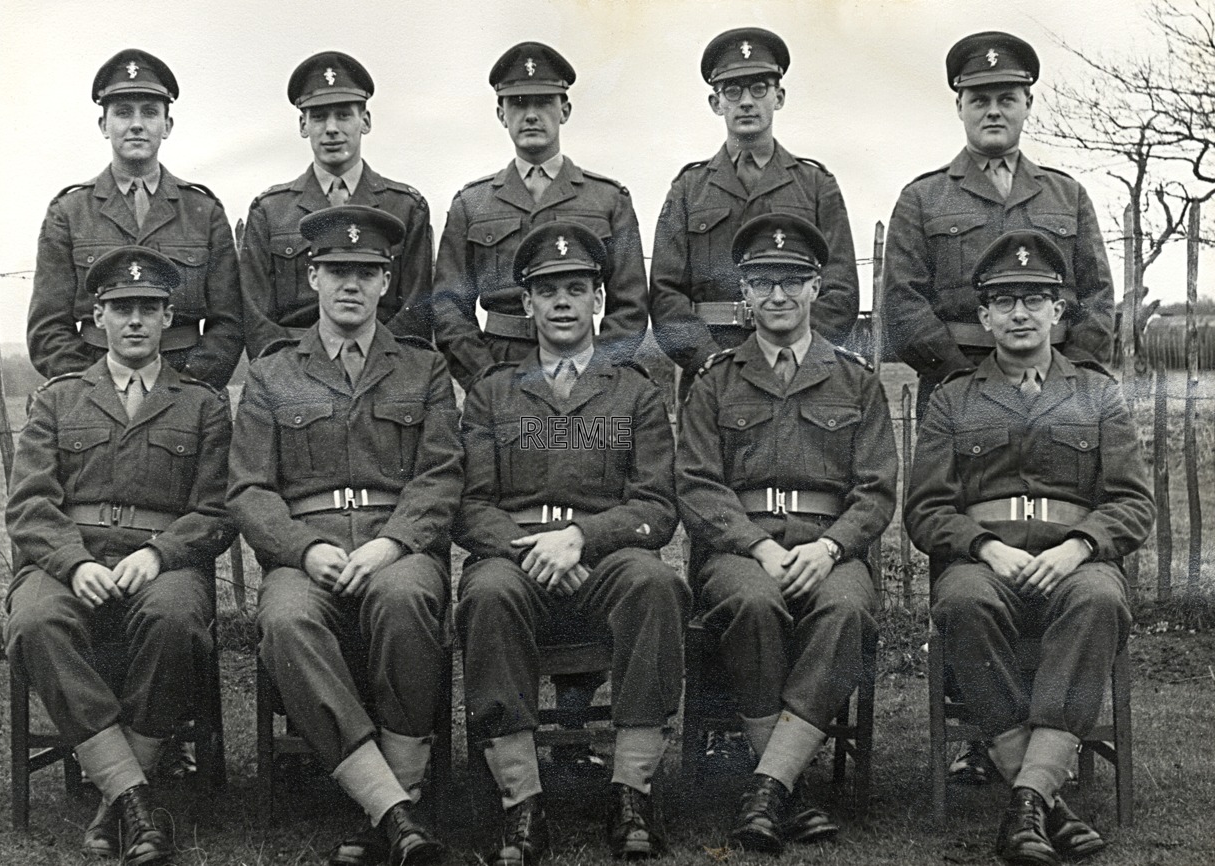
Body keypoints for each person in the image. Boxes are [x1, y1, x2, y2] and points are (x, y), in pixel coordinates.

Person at [904, 230, 1154, 866]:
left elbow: (1132, 503)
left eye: (1036, 299)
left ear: (1059, 311)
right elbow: (926, 509)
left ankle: (1024, 805)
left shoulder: (1098, 394)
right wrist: (985, 547)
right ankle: (1046, 802)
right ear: (983, 316)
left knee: (1101, 597)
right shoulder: (953, 399)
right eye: (1005, 300)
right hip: (986, 569)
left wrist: (1078, 548)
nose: (1020, 313)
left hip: (1072, 567)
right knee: (960, 602)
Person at [228, 205, 461, 866]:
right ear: (313, 277)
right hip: (309, 551)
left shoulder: (424, 369)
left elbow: (441, 475)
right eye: (336, 270)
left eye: (365, 271)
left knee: (407, 598)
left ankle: (392, 797)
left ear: (387, 282)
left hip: (398, 547)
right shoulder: (274, 372)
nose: (350, 284)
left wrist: (391, 545)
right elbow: (248, 487)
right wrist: (304, 550)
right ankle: (394, 808)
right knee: (287, 619)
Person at [456, 222, 687, 863]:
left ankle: (632, 793)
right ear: (525, 304)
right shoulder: (491, 393)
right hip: (516, 562)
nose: (562, 302)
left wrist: (581, 538)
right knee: (487, 593)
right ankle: (521, 804)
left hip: (603, 563)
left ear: (598, 302)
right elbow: (470, 506)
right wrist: (536, 548)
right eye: (547, 290)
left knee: (657, 582)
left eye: (576, 288)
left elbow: (655, 507)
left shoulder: (635, 392)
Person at [5, 246, 236, 865]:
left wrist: (160, 555)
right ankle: (136, 793)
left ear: (169, 320)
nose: (135, 320)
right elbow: (29, 505)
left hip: (161, 564)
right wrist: (75, 563)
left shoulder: (203, 404)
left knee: (175, 619)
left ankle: (114, 798)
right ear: (96, 320)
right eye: (121, 308)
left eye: (149, 309)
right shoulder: (56, 399)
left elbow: (216, 510)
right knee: (34, 621)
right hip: (67, 559)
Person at [675, 213, 896, 853]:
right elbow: (696, 482)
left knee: (848, 607)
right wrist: (759, 546)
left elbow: (878, 487)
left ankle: (768, 788)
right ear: (743, 291)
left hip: (830, 546)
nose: (777, 296)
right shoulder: (715, 379)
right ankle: (789, 788)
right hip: (743, 549)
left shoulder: (854, 378)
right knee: (750, 601)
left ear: (815, 289)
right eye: (762, 282)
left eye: (791, 282)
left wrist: (831, 548)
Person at [881, 31, 1115, 421]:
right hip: (955, 387)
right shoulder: (922, 198)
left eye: (1006, 99)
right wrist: (959, 378)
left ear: (1028, 104)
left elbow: (1098, 297)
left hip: (1058, 389)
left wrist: (1069, 377)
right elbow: (903, 305)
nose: (993, 111)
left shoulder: (1068, 196)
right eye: (979, 100)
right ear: (960, 106)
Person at [650, 27, 860, 398]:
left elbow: (840, 290)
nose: (746, 101)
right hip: (710, 374)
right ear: (717, 103)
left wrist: (797, 358)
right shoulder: (688, 189)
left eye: (759, 88)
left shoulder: (815, 185)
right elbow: (666, 295)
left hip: (798, 377)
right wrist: (710, 363)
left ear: (779, 97)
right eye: (733, 91)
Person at [432, 41, 649, 387]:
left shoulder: (607, 199)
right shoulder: (471, 204)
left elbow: (630, 305)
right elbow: (449, 307)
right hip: (500, 364)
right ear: (501, 114)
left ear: (564, 110)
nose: (531, 114)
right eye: (518, 103)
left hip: (584, 363)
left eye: (544, 102)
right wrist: (485, 377)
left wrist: (597, 373)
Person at [30, 49, 243, 391]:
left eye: (150, 113)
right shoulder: (69, 212)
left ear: (167, 125)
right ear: (104, 125)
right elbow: (47, 329)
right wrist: (94, 388)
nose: (137, 125)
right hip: (94, 388)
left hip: (185, 388)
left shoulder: (204, 211)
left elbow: (229, 325)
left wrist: (187, 390)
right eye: (123, 113)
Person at [240, 51, 434, 357]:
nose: (331, 128)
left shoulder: (406, 207)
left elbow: (415, 312)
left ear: (365, 121)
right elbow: (256, 318)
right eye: (318, 116)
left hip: (383, 367)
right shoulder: (270, 212)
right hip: (293, 370)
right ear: (303, 125)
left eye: (343, 115)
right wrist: (288, 375)